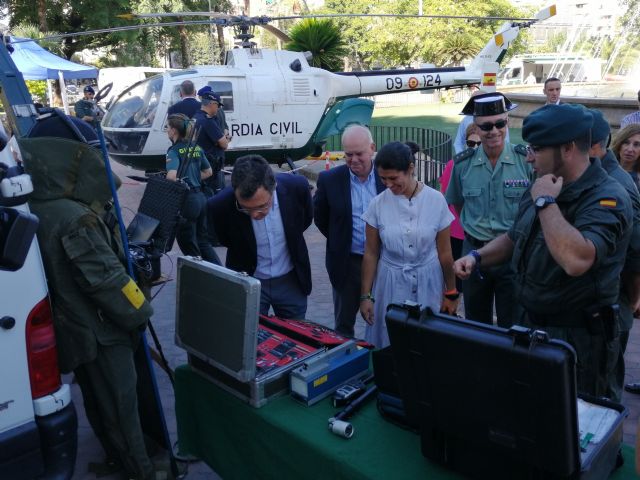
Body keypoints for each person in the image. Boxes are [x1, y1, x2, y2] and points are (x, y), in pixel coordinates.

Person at [454, 104, 632, 397]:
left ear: (568, 149)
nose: (529, 156)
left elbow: (577, 259)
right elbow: (515, 237)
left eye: (537, 148)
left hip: (579, 341)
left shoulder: (607, 197)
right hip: (531, 325)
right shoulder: (543, 184)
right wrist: (476, 257)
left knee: (576, 424)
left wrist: (546, 204)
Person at [23, 112, 157, 479]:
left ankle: (118, 460)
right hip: (103, 332)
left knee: (99, 402)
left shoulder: (39, 204)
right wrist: (140, 310)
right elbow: (107, 282)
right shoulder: (72, 217)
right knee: (121, 406)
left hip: (77, 328)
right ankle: (142, 471)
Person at [359, 141, 459, 348]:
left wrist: (451, 292)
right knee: (390, 343)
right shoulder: (377, 204)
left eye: (394, 178)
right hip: (390, 283)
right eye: (383, 179)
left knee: (426, 344)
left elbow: (445, 253)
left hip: (428, 280)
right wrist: (366, 295)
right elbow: (370, 253)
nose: (388, 184)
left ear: (411, 169)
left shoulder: (436, 200)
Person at [445, 92, 531, 327]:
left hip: (513, 256)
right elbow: (459, 203)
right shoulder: (463, 164)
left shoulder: (525, 161)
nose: (493, 131)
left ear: (508, 122)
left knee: (513, 325)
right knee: (476, 323)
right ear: (477, 128)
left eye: (499, 124)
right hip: (475, 252)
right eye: (486, 126)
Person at [207, 155, 313, 319]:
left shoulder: (297, 188)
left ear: (273, 187)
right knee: (248, 339)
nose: (255, 214)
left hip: (291, 282)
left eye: (263, 206)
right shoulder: (220, 205)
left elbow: (303, 223)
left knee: (296, 335)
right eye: (246, 209)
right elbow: (225, 239)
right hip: (248, 281)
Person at [587, 109, 640, 401]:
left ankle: (612, 445)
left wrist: (633, 298)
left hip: (614, 299)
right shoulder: (598, 175)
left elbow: (635, 251)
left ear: (594, 145)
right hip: (598, 300)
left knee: (605, 380)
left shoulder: (617, 185)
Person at [314, 125, 385, 337]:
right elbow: (321, 219)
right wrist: (341, 239)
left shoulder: (386, 177)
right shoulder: (330, 180)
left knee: (383, 317)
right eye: (348, 154)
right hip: (347, 263)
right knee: (343, 324)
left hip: (384, 261)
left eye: (359, 154)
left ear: (372, 148)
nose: (353, 160)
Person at [165, 113, 220, 265]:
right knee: (203, 242)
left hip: (187, 202)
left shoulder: (173, 151)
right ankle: (222, 273)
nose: (167, 131)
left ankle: (200, 277)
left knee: (188, 246)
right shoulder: (196, 148)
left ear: (174, 130)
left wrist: (182, 181)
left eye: (168, 127)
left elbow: (171, 177)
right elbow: (208, 172)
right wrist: (193, 178)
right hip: (201, 198)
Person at [440, 123, 481, 292]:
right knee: (457, 279)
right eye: (471, 143)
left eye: (479, 144)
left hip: (479, 230)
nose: (475, 147)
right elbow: (445, 193)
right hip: (457, 229)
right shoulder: (455, 164)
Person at [193, 89, 229, 196]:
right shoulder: (208, 121)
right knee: (215, 195)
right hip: (212, 166)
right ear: (211, 104)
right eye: (217, 105)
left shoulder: (196, 117)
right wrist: (225, 139)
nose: (218, 108)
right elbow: (224, 144)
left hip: (201, 162)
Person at [453, 89, 511, 154]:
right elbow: (458, 143)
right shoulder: (466, 120)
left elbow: (506, 141)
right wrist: (463, 158)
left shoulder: (499, 120)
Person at [611, 124, 640, 191]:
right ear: (619, 144)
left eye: (636, 144)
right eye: (626, 143)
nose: (630, 149)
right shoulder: (604, 170)